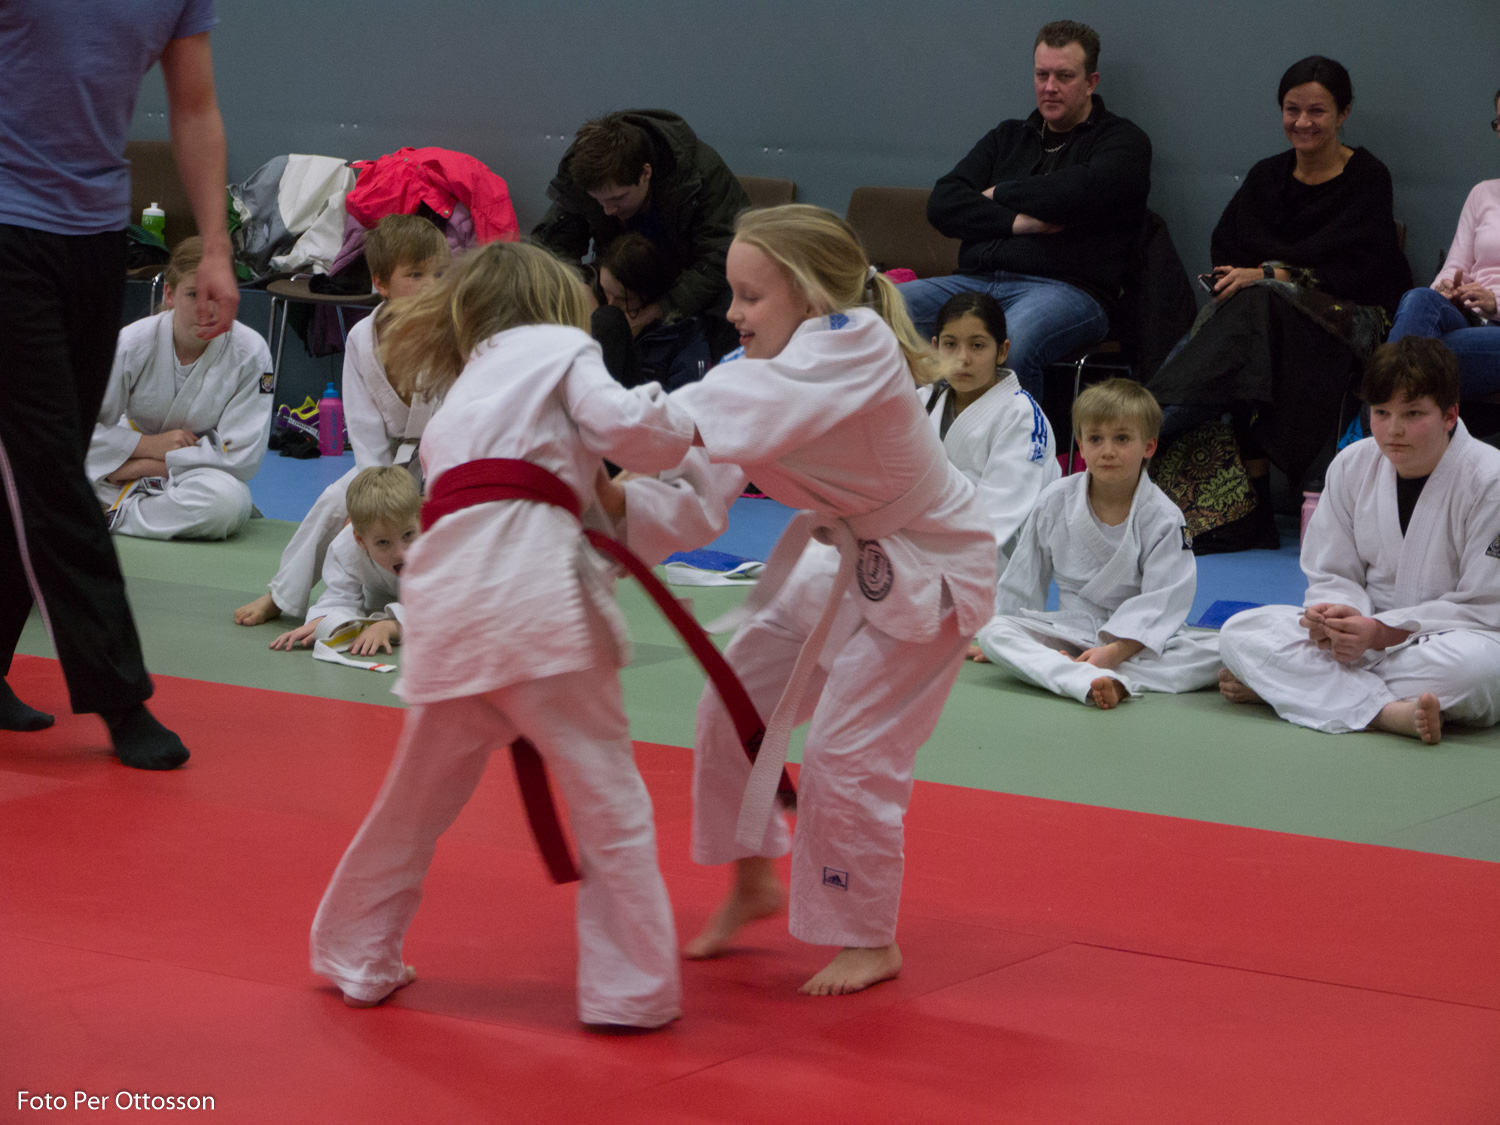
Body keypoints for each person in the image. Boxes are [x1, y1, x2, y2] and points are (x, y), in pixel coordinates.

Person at [607, 205, 996, 996]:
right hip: (841, 554)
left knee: (846, 752)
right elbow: (698, 483)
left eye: (750, 296)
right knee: (730, 709)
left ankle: (867, 936)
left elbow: (705, 420)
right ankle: (753, 876)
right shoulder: (756, 370)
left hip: (929, 562)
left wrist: (595, 417)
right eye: (731, 293)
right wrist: (605, 517)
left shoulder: (857, 343)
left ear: (813, 294)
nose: (732, 311)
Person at [310, 241, 696, 1029]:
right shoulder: (562, 350)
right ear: (559, 304)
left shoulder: (463, 394)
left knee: (411, 805)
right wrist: (691, 416)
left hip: (451, 609)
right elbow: (633, 431)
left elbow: (526, 490)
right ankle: (628, 990)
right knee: (609, 803)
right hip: (535, 608)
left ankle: (357, 953)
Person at [0, 1, 236, 768]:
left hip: (97, 235)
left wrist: (216, 248)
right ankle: (119, 694)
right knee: (50, 470)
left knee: (43, 461)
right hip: (7, 227)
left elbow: (194, 107)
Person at [1148, 56, 1413, 551]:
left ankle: (1153, 415)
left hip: (1351, 316)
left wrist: (1273, 274)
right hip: (1264, 321)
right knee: (1253, 327)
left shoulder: (1368, 176)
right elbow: (1227, 246)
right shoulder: (1267, 176)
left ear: (1344, 113)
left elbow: (1360, 267)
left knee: (1255, 309)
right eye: (1292, 110)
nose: (1303, 122)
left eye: (1317, 111)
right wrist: (1249, 278)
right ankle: (1245, 510)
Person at [1218, 338, 1500, 744]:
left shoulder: (1489, 480)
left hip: (1447, 639)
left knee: (1476, 672)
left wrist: (1381, 633)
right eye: (1381, 412)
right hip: (1357, 642)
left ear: (1450, 415)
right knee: (1240, 631)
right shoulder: (1352, 464)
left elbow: (1485, 607)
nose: (1394, 429)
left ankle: (1285, 688)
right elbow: (1331, 572)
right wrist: (1335, 619)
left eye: (1413, 413)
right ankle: (1386, 714)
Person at [896, 20, 1151, 398]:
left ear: (1091, 82)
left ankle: (1010, 439)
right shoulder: (1008, 137)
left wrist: (998, 192)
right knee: (882, 312)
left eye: (1064, 76)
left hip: (1067, 291)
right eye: (1042, 74)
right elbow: (944, 202)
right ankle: (922, 431)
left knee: (1009, 345)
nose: (1050, 87)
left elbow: (1078, 192)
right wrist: (1019, 223)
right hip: (977, 280)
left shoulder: (1122, 142)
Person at [234, 214, 449, 627]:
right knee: (336, 500)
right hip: (386, 464)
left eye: (440, 274)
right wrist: (374, 498)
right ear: (381, 282)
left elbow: (459, 428)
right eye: (416, 275)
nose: (431, 286)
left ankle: (412, 603)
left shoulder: (453, 336)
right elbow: (365, 431)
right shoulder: (361, 339)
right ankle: (282, 594)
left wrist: (432, 493)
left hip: (444, 464)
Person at [972, 379, 1220, 708]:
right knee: (995, 631)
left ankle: (1073, 671)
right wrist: (1003, 632)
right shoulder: (1055, 499)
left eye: (1122, 438)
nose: (1108, 451)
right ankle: (1090, 678)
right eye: (1095, 439)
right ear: (1081, 445)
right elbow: (1025, 575)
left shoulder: (1164, 517)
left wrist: (1115, 651)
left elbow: (1165, 600)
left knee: (1223, 650)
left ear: (1149, 446)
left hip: (1135, 642)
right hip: (1070, 632)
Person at [88, 237, 271, 540]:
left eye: (216, 295)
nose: (206, 309)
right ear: (170, 294)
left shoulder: (251, 353)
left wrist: (148, 466)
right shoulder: (132, 343)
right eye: (193, 294)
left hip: (193, 473)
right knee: (50, 474)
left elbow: (243, 457)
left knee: (227, 505)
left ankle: (112, 516)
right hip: (119, 462)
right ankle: (133, 509)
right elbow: (83, 432)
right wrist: (148, 446)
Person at [532, 110, 750, 357]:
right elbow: (550, 249)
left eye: (618, 198)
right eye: (599, 201)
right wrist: (577, 288)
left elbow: (721, 257)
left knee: (729, 310)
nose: (608, 210)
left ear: (646, 173)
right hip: (619, 282)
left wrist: (657, 311)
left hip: (689, 282)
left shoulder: (702, 174)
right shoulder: (584, 176)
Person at [918, 291, 1058, 569]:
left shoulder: (1022, 417)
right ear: (935, 348)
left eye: (977, 345)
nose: (962, 358)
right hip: (920, 548)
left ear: (1002, 351)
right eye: (950, 344)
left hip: (992, 566)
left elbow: (997, 517)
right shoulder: (921, 402)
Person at [1385, 89, 1500, 397]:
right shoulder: (1483, 193)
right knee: (1420, 298)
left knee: (1413, 355)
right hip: (1470, 318)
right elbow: (1456, 264)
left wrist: (1495, 302)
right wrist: (1446, 287)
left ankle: (1381, 419)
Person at [269, 467, 417, 656]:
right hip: (381, 596)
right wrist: (325, 621)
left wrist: (392, 627)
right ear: (361, 540)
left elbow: (444, 608)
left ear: (420, 517)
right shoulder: (346, 547)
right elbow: (340, 597)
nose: (400, 553)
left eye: (408, 535)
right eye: (383, 542)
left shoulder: (438, 541)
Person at [591, 232, 712, 391]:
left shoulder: (684, 337)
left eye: (624, 299)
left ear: (648, 294)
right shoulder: (599, 319)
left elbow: (688, 400)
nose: (611, 305)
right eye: (606, 293)